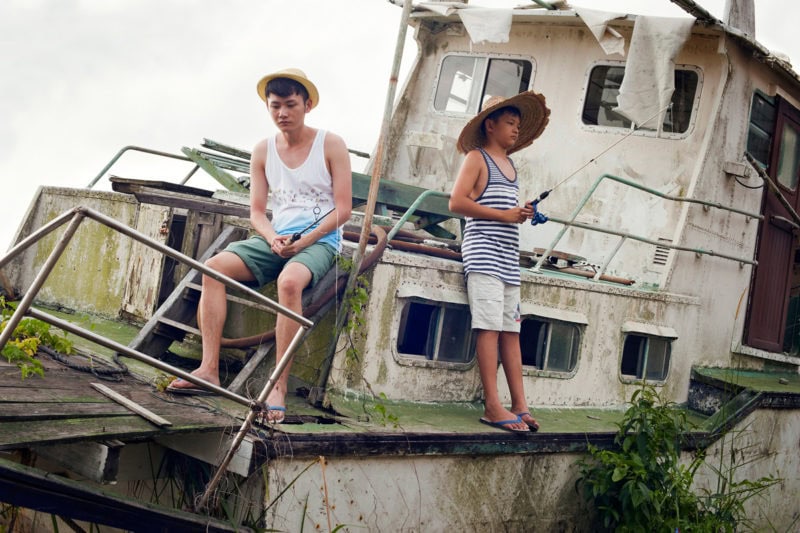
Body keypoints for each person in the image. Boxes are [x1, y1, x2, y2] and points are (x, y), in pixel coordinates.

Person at [168, 68, 352, 423]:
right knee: (213, 267)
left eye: (291, 104)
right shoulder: (263, 150)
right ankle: (208, 370)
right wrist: (272, 238)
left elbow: (343, 209)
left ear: (308, 105)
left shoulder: (331, 144)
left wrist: (306, 241)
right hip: (277, 238)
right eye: (275, 106)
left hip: (320, 240)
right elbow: (256, 211)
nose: (282, 113)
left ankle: (277, 385)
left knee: (289, 282)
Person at [448, 91, 550, 433]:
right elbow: (457, 203)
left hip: (507, 258)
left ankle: (520, 404)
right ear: (490, 125)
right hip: (484, 254)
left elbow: (505, 211)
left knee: (511, 331)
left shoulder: (511, 165)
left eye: (518, 125)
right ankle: (492, 405)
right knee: (489, 328)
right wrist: (505, 215)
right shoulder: (477, 158)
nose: (515, 130)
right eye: (509, 123)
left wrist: (522, 213)